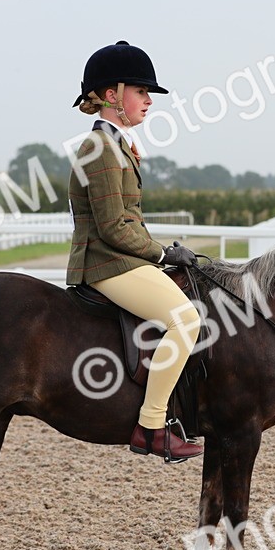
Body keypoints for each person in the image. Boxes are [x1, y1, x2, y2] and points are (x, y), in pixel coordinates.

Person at [67, 41, 203, 462]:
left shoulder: (118, 145)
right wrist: (162, 254)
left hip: (121, 257)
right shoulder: (100, 150)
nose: (148, 101)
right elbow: (112, 227)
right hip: (106, 262)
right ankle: (152, 426)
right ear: (112, 95)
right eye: (141, 92)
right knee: (186, 320)